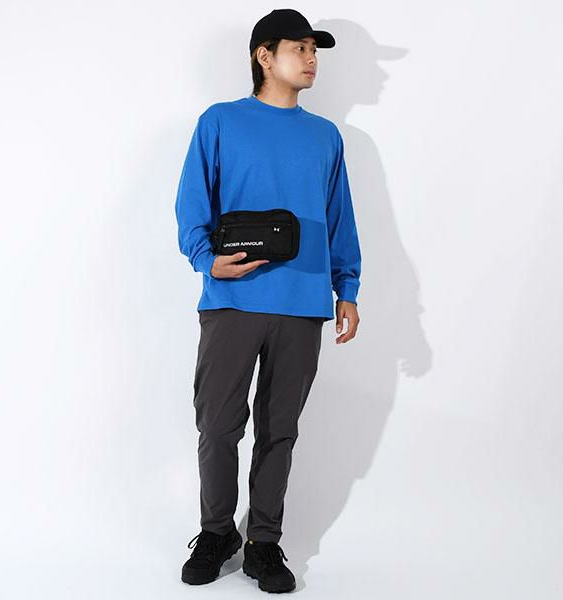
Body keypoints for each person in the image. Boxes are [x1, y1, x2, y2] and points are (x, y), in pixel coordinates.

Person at [175, 8, 361, 594]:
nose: (311, 59)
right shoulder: (221, 121)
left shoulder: (325, 135)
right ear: (264, 55)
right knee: (218, 425)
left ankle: (262, 542)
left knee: (280, 430)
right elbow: (191, 200)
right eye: (300, 48)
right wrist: (205, 259)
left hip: (302, 303)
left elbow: (340, 216)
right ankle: (216, 533)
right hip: (232, 299)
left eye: (315, 50)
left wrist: (347, 287)